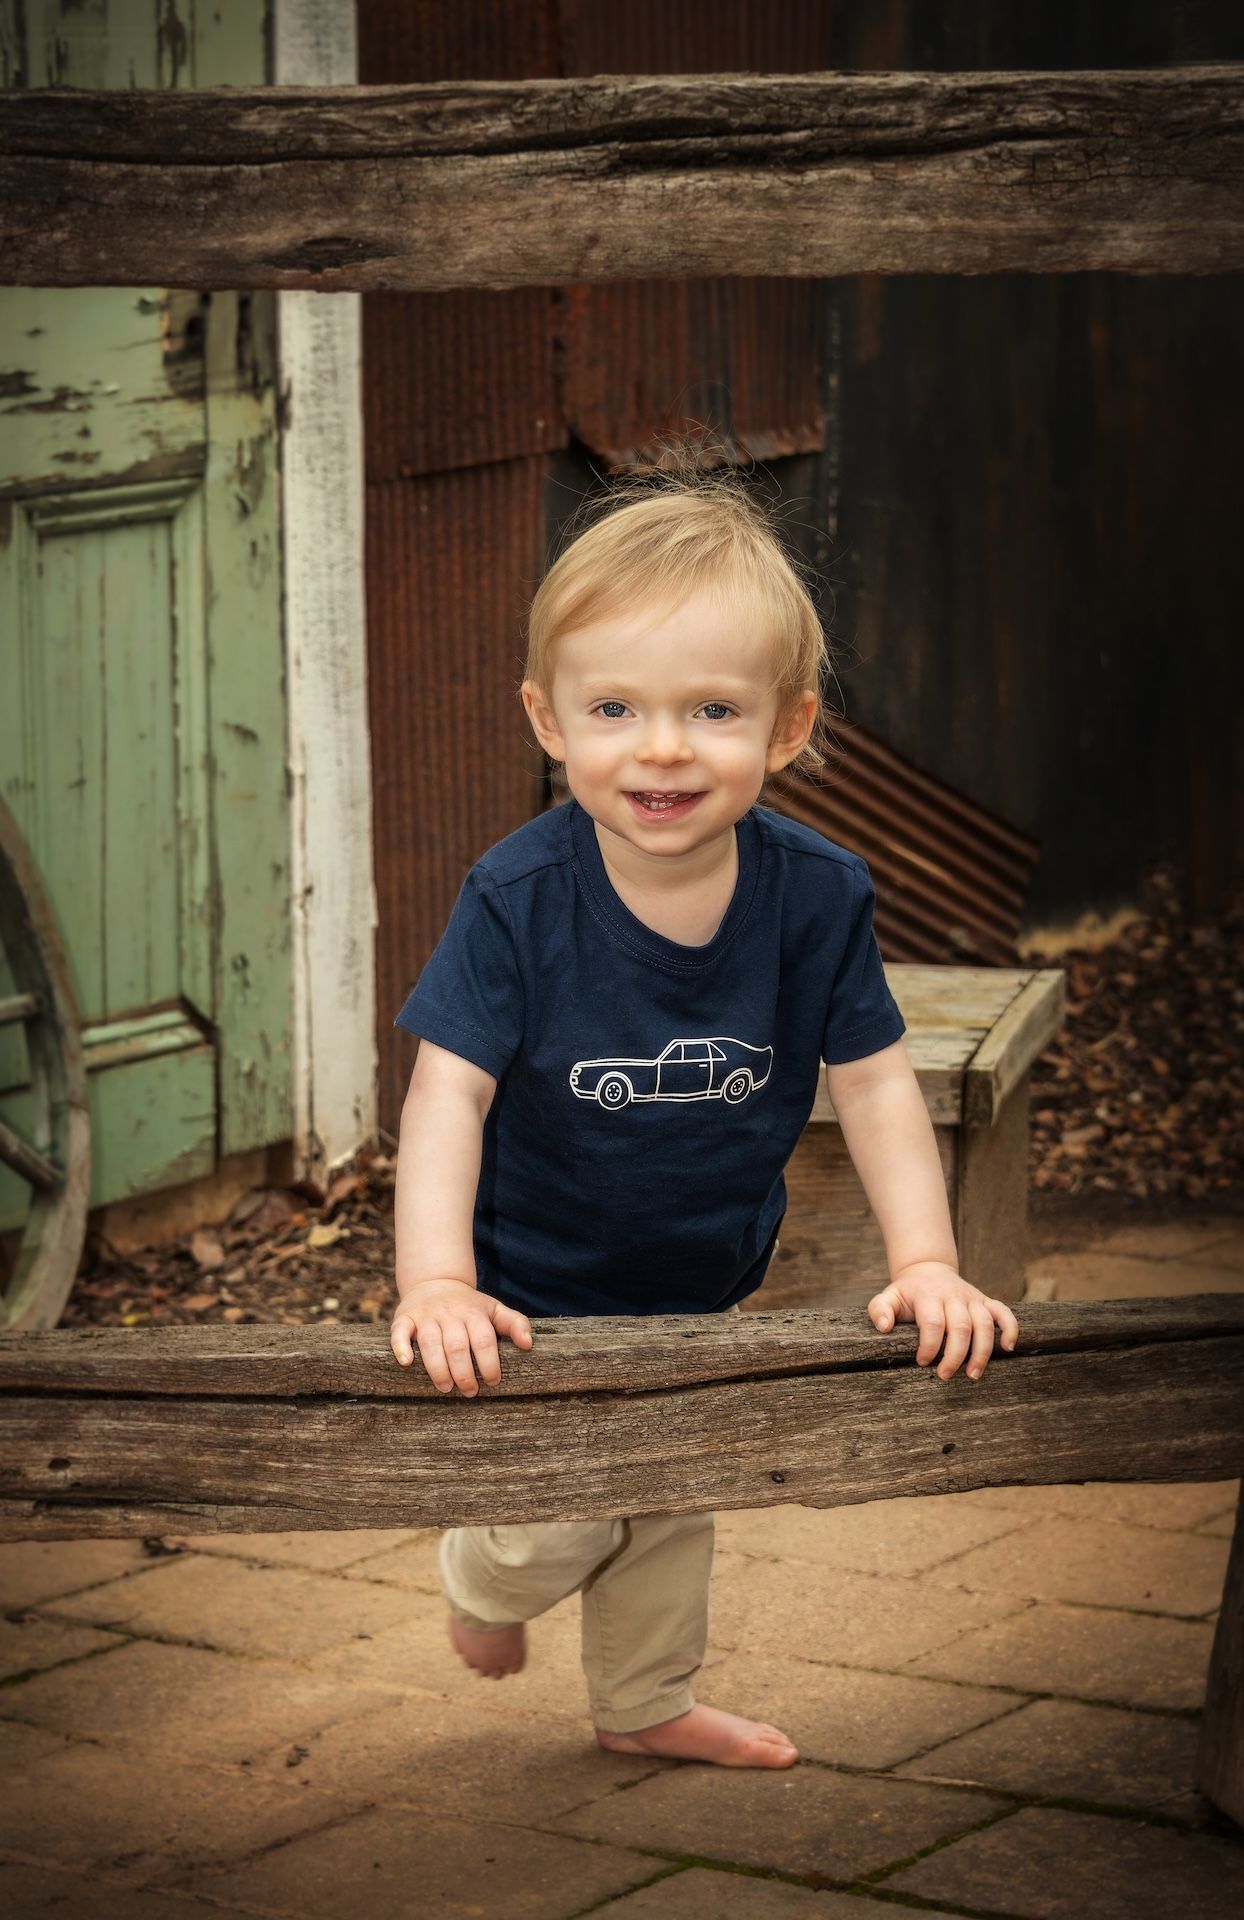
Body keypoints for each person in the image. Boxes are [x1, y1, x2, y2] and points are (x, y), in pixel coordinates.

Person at [390, 469, 1019, 1770]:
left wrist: (927, 1263)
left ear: (786, 730)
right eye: (614, 708)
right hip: (529, 1287)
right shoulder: (518, 896)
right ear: (547, 721)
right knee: (565, 1512)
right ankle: (482, 1573)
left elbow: (878, 1084)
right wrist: (438, 1280)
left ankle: (643, 1703)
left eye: (711, 711)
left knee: (672, 1492)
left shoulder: (816, 895)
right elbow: (447, 1091)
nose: (662, 747)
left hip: (700, 1270)